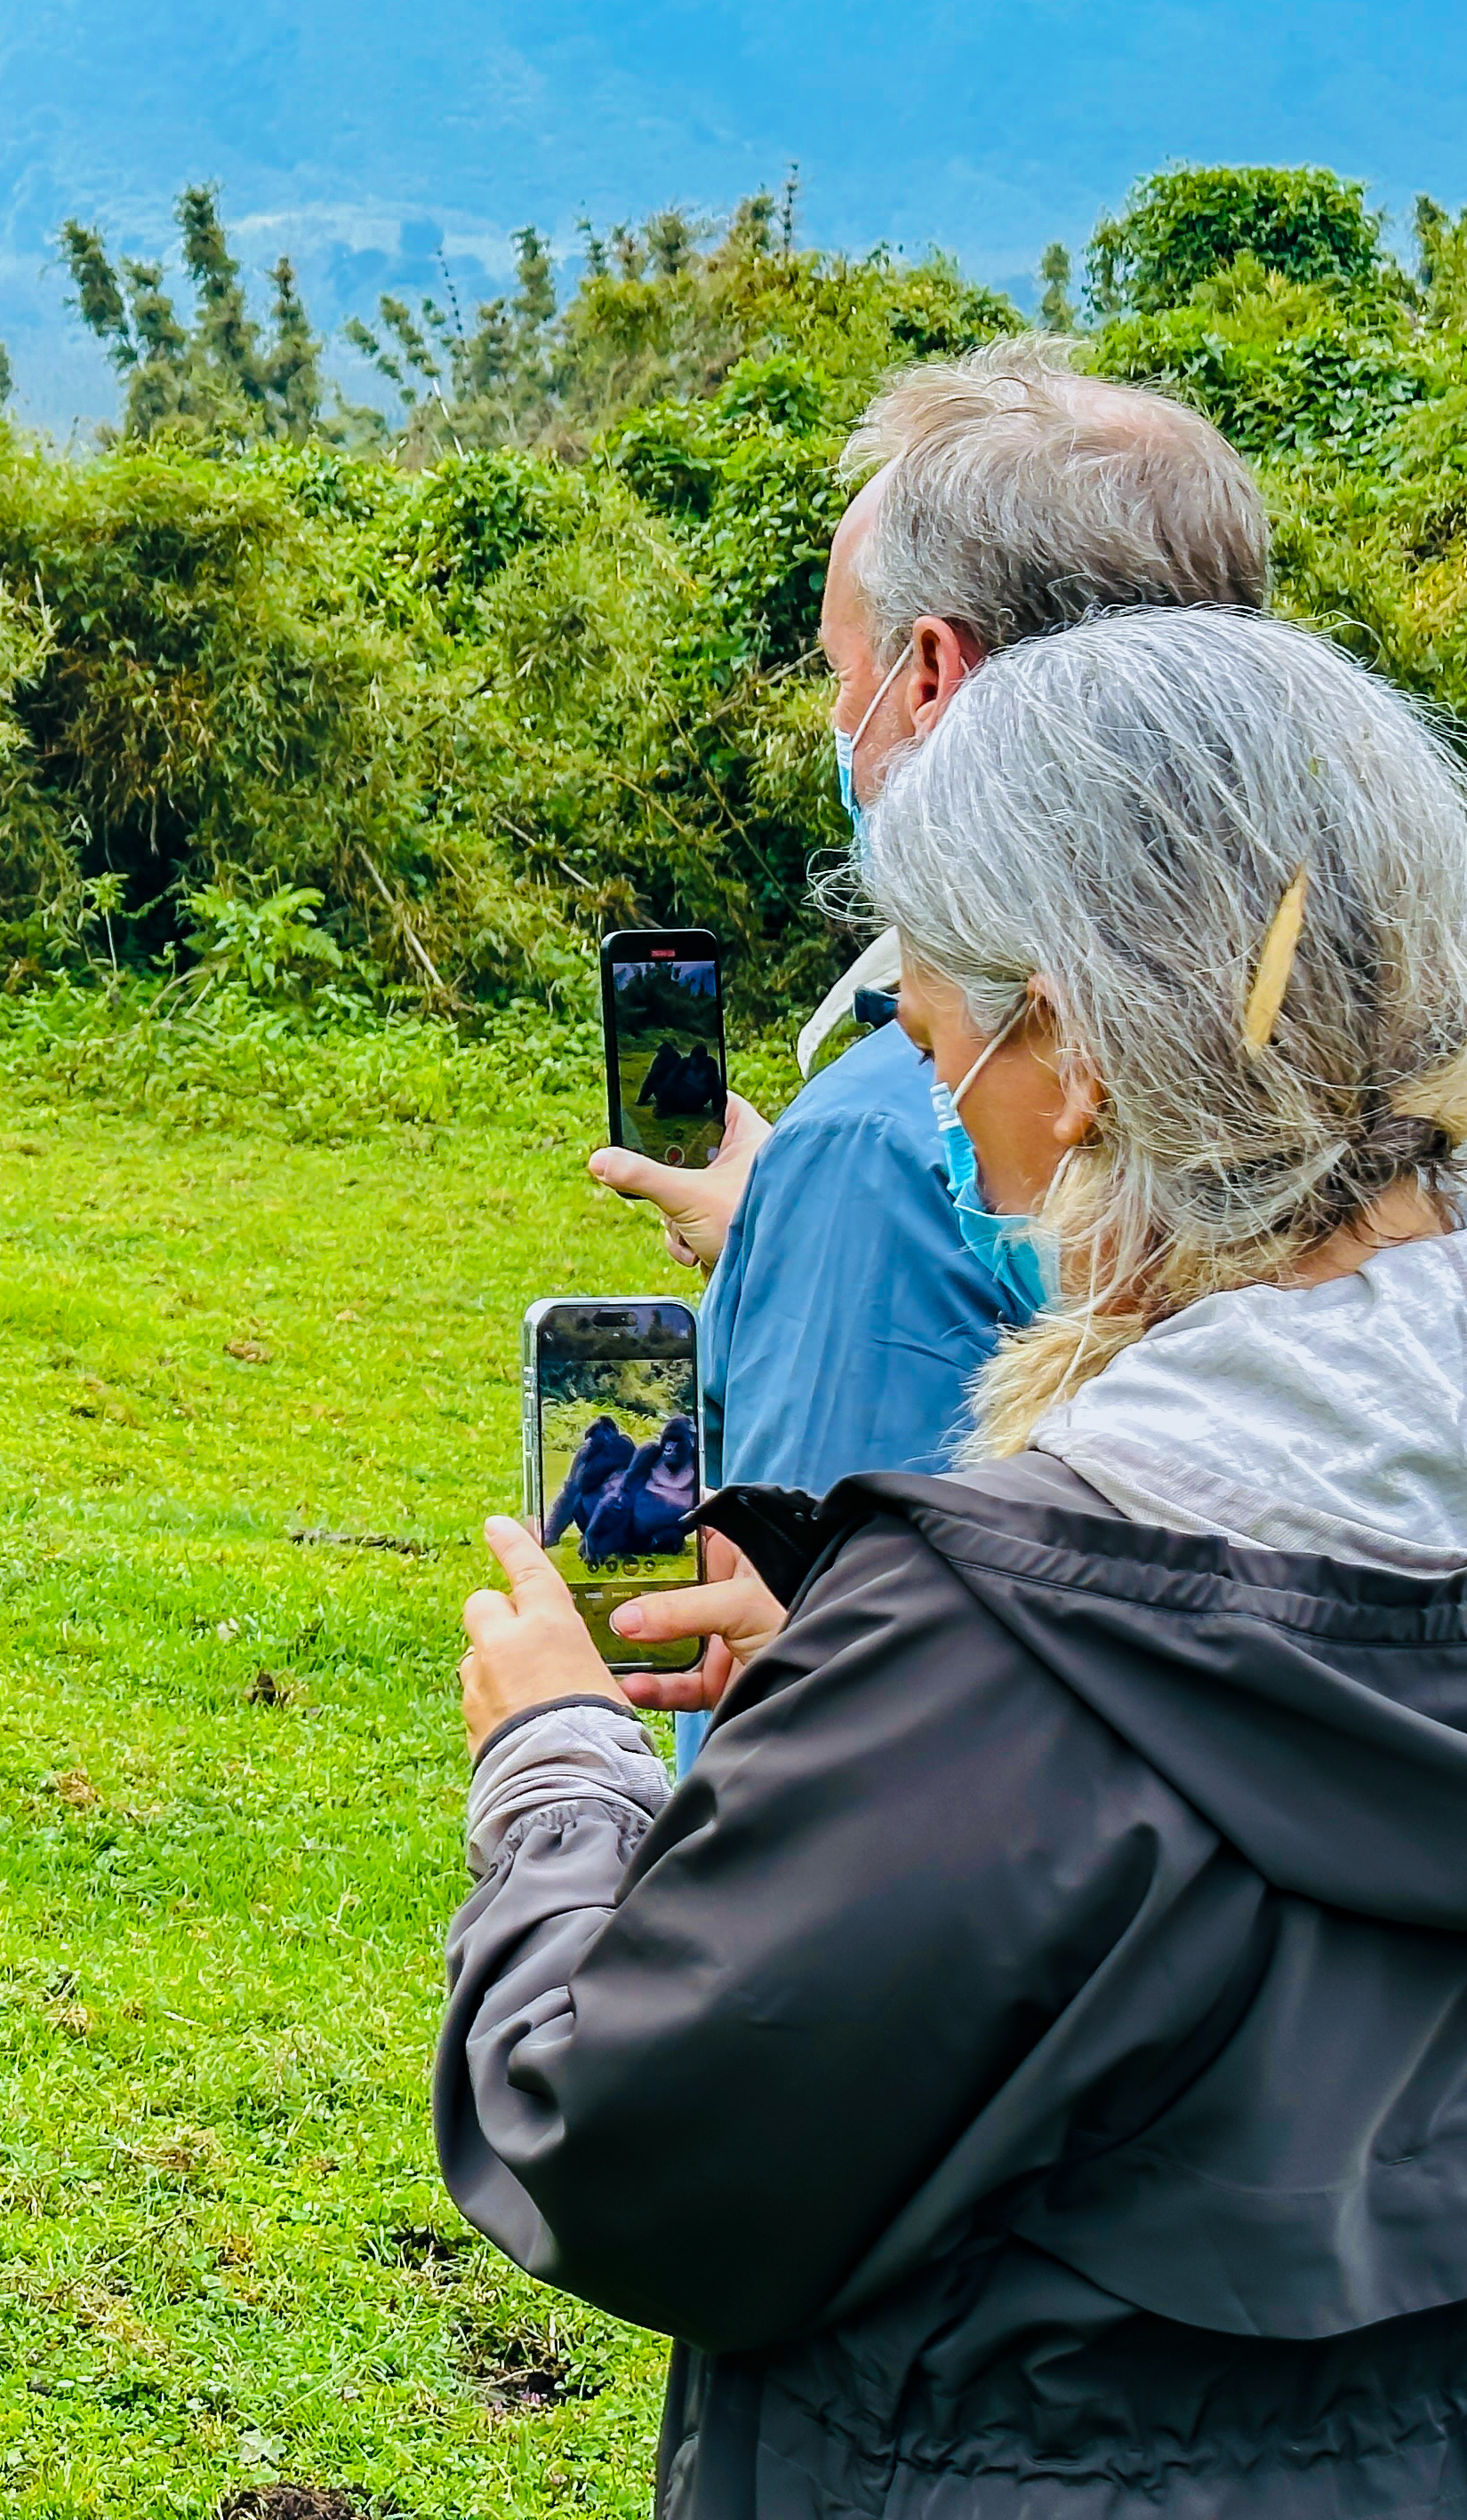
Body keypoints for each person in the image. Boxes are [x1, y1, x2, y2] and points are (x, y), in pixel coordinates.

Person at [440, 605, 1467, 2518]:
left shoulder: (1014, 1630)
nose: (941, 1121)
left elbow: (624, 2138)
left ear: (1069, 1045)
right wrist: (863, 1669)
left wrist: (559, 1775)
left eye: (936, 1040)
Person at [589, 345, 1271, 1756]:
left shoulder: (908, 1124)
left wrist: (552, 1775)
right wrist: (775, 1236)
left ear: (933, 678)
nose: (841, 723)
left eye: (847, 675)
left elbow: (826, 1732)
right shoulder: (1333, 1052)